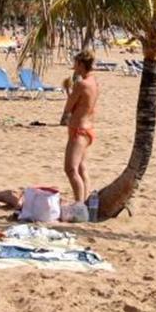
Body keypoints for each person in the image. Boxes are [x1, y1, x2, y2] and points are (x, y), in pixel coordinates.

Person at [60, 50, 99, 205]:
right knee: (81, 168)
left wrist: (69, 90)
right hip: (88, 129)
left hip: (79, 130)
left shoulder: (81, 84)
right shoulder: (94, 82)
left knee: (70, 169)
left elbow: (69, 107)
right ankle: (85, 202)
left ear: (81, 65)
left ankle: (79, 205)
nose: (74, 68)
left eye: (75, 64)